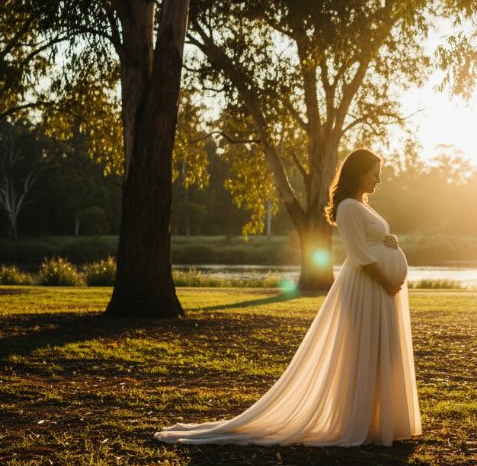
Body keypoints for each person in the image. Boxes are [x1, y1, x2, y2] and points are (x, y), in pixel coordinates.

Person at [154, 148, 421, 447]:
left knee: (379, 352)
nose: (379, 179)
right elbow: (358, 253)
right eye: (375, 173)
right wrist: (386, 280)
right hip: (368, 288)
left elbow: (372, 241)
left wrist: (390, 241)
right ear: (359, 173)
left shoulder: (362, 205)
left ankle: (377, 421)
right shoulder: (347, 206)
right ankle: (357, 421)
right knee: (364, 352)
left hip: (380, 290)